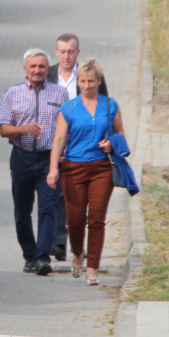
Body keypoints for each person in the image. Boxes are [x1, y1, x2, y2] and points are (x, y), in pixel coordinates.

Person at [47, 58, 124, 286]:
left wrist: (112, 144)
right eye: (83, 81)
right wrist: (53, 169)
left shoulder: (111, 105)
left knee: (97, 220)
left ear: (99, 81)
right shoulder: (68, 107)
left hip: (101, 168)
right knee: (76, 220)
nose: (87, 85)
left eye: (91, 81)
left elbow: (120, 134)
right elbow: (59, 139)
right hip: (73, 168)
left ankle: (92, 267)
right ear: (77, 82)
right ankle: (78, 252)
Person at [0, 48, 69, 276]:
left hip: (49, 159)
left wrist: (65, 152)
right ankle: (29, 255)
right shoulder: (12, 93)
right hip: (22, 158)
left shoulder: (61, 94)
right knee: (22, 210)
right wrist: (23, 129)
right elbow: (2, 128)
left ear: (48, 69)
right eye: (33, 66)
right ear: (25, 69)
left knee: (48, 208)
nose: (37, 70)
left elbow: (69, 126)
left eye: (42, 66)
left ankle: (43, 257)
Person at [49, 33, 108, 261]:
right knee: (52, 195)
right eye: (62, 51)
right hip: (53, 143)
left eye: (71, 52)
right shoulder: (49, 75)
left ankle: (62, 243)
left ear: (78, 53)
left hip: (81, 149)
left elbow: (104, 110)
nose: (66, 56)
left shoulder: (88, 77)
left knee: (72, 200)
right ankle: (54, 242)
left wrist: (105, 140)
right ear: (56, 52)